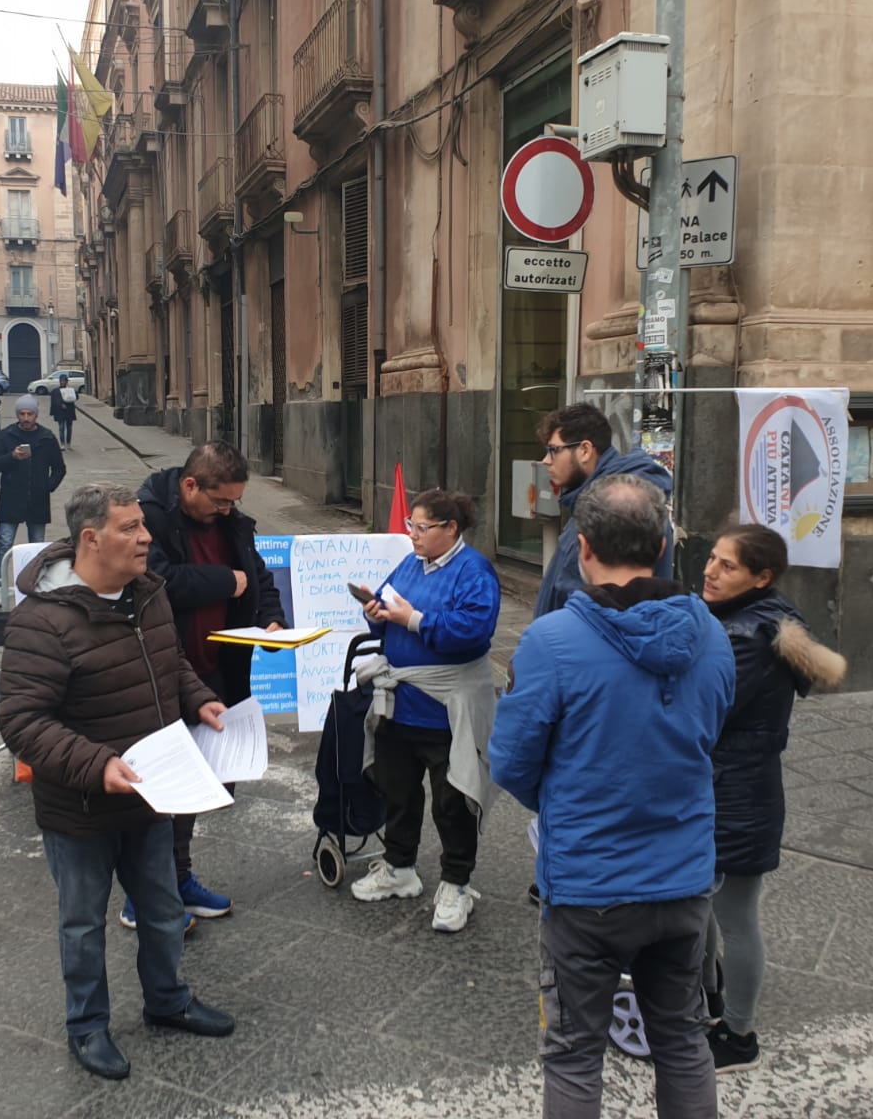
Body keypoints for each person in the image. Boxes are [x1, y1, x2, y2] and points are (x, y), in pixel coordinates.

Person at [489, 475, 734, 1119]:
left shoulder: (551, 642)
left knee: (573, 1054)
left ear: (583, 547)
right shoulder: (711, 635)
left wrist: (567, 796)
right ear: (661, 546)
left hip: (588, 887)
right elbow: (712, 733)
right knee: (682, 1039)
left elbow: (511, 763)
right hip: (684, 880)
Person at [0, 483, 237, 1081]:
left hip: (154, 793)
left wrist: (200, 699)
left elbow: (169, 661)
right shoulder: (41, 622)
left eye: (141, 525)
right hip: (80, 808)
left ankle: (168, 1000)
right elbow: (23, 721)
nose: (146, 536)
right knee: (82, 925)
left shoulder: (148, 593)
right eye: (130, 528)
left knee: (161, 909)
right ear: (90, 538)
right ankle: (87, 1027)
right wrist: (97, 765)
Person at [699, 524, 845, 1074]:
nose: (711, 571)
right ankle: (712, 994)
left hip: (734, 790)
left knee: (734, 915)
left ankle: (738, 1035)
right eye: (712, 559)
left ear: (762, 577)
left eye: (727, 566)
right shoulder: (755, 616)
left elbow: (705, 709)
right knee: (709, 904)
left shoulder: (746, 637)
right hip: (731, 782)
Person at [133, 441, 286, 928]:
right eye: (221, 500)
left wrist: (272, 618)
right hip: (162, 670)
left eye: (234, 502)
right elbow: (159, 580)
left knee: (198, 782)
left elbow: (256, 573)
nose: (228, 509)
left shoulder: (230, 522)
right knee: (158, 786)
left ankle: (179, 879)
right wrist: (227, 581)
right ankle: (143, 896)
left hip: (218, 668)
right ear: (189, 485)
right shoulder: (148, 516)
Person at [351, 488, 501, 934]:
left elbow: (474, 631)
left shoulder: (474, 571)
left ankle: (457, 882)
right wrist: (375, 612)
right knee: (397, 789)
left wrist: (414, 621)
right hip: (402, 702)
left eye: (421, 527)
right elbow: (387, 598)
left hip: (447, 706)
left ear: (451, 529)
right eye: (410, 527)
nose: (412, 535)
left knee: (454, 799)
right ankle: (399, 866)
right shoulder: (411, 563)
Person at [533, 403, 674, 618]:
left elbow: (589, 608)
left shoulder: (610, 512)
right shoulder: (602, 500)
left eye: (554, 450)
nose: (546, 461)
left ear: (585, 450)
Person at [0, 394, 66, 571]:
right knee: (4, 544)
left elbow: (59, 468)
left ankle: (34, 583)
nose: (25, 418)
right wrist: (12, 457)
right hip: (11, 499)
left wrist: (47, 487)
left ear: (36, 415)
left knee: (37, 546)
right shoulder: (6, 436)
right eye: (22, 414)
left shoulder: (47, 438)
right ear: (17, 415)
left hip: (37, 501)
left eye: (29, 414)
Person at [50, 373, 78, 449]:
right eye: (61, 381)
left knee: (69, 428)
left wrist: (72, 394)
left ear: (66, 382)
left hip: (69, 412)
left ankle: (68, 443)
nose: (63, 382)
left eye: (64, 381)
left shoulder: (71, 390)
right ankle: (62, 444)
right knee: (61, 428)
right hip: (60, 412)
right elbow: (54, 401)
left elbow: (76, 397)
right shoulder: (55, 391)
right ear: (59, 381)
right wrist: (60, 405)